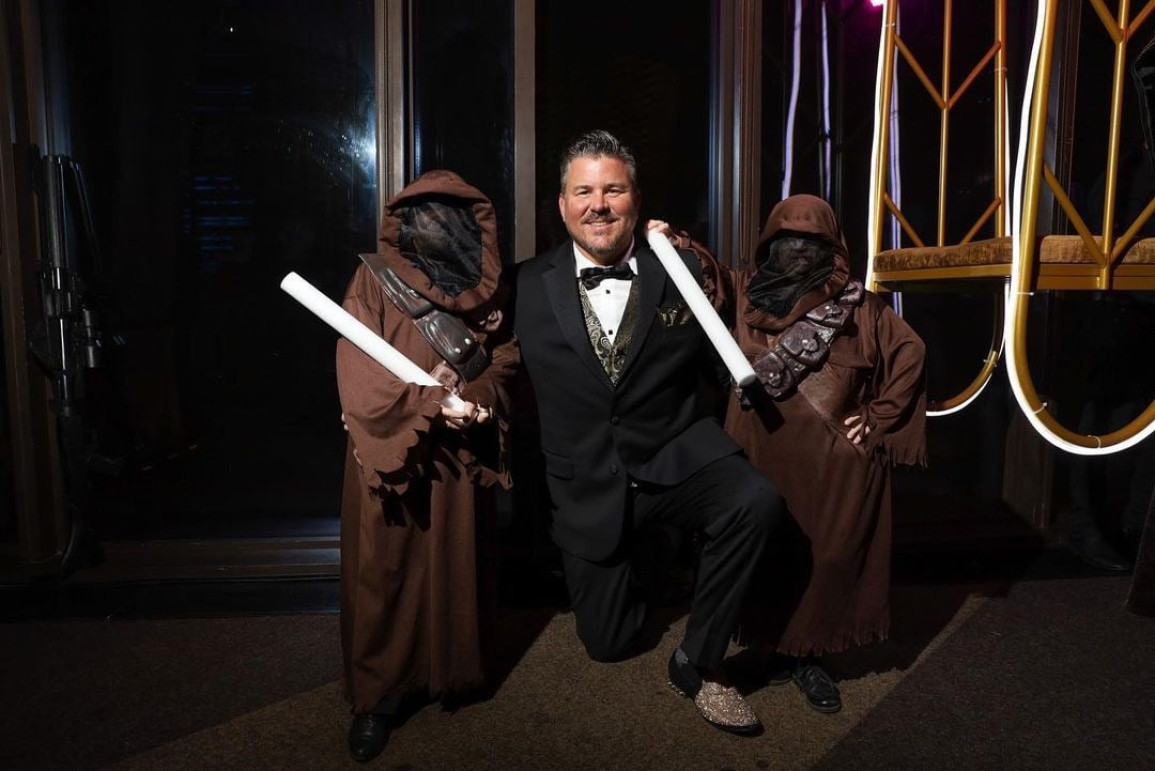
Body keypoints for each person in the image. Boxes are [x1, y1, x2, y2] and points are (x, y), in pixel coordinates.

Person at [514, 129, 785, 735]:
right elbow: (489, 363)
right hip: (587, 479)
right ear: (561, 204)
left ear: (636, 200)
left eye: (613, 190)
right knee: (609, 644)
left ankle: (698, 660)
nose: (599, 205)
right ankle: (652, 559)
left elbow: (739, 334)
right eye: (583, 192)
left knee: (755, 500)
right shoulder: (524, 284)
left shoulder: (683, 269)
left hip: (674, 456)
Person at [655, 194, 926, 714]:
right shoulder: (742, 292)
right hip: (756, 457)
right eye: (788, 238)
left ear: (832, 246)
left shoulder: (859, 307)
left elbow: (911, 352)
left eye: (811, 240)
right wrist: (675, 242)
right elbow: (704, 277)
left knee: (823, 561)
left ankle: (806, 657)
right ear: (768, 242)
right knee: (761, 555)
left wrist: (879, 417)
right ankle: (764, 646)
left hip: (830, 471)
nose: (799, 248)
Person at [336, 169, 519, 762]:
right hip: (397, 449)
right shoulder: (372, 280)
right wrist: (429, 402)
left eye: (451, 215)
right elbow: (357, 365)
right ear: (403, 223)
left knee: (457, 556)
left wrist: (480, 401)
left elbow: (505, 359)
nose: (438, 224)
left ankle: (451, 672)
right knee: (386, 569)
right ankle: (378, 697)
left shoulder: (489, 290)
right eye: (425, 213)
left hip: (457, 452)